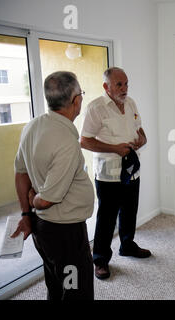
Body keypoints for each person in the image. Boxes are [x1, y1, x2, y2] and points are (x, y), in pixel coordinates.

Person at [12, 71, 94, 300]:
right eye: (82, 94)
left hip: (44, 231)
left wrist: (27, 214)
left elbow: (20, 173)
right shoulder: (67, 142)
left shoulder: (33, 126)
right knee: (76, 289)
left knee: (57, 282)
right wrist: (34, 201)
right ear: (76, 100)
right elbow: (47, 199)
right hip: (65, 233)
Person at [80, 67, 150, 280]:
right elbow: (85, 141)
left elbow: (140, 130)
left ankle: (127, 245)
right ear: (106, 86)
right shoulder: (96, 108)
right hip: (108, 175)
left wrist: (142, 140)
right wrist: (114, 148)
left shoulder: (131, 103)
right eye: (119, 84)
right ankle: (100, 259)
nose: (124, 88)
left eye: (126, 83)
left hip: (131, 170)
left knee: (130, 212)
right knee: (107, 218)